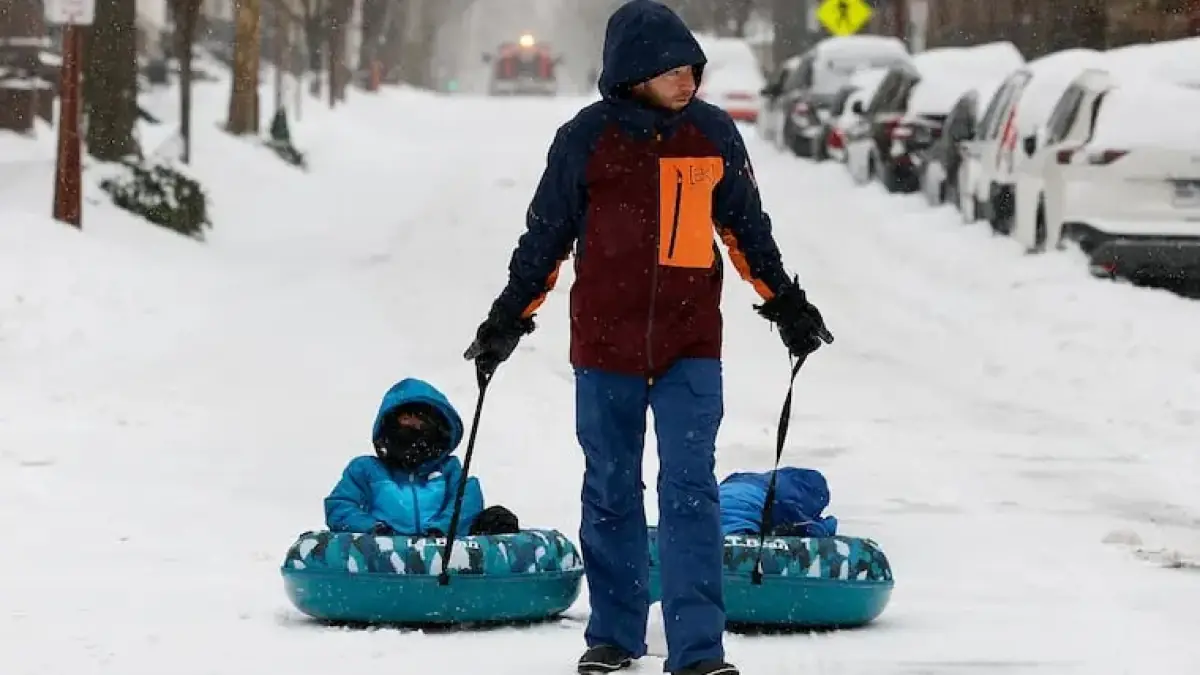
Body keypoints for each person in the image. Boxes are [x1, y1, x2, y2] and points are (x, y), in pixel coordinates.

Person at [463, 2, 832, 674]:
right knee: (609, 486)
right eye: (671, 68)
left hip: (691, 344)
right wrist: (506, 319)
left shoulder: (712, 134)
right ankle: (613, 633)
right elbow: (545, 239)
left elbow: (747, 230)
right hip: (605, 347)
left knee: (690, 489)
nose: (688, 78)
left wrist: (786, 303)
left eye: (691, 65)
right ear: (634, 72)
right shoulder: (586, 139)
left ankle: (698, 649)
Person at [324, 377, 518, 537]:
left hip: (442, 558)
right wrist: (374, 529)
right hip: (379, 562)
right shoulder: (366, 470)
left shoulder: (450, 470)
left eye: (421, 420)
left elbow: (464, 505)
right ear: (390, 424)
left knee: (495, 517)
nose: (413, 425)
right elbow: (341, 506)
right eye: (406, 417)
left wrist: (439, 531)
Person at [719, 468, 838, 538]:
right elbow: (811, 529)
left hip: (712, 506)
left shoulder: (755, 478)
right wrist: (827, 526)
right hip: (738, 524)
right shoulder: (791, 498)